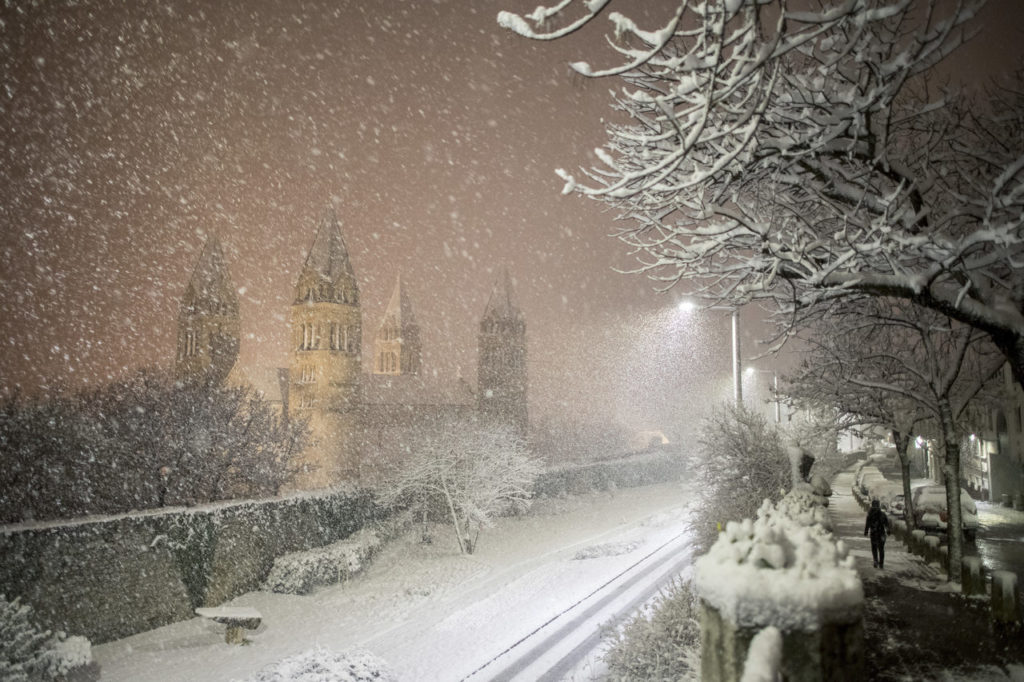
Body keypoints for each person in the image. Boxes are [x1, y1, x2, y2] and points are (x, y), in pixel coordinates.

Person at [864, 499, 890, 569]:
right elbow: (887, 524)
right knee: (881, 549)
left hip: (873, 533)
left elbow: (867, 524)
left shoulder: (870, 514)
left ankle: (875, 561)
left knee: (874, 548)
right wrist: (888, 530)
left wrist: (866, 531)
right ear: (879, 506)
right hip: (881, 533)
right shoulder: (883, 514)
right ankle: (881, 563)